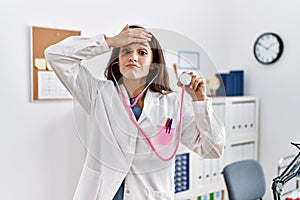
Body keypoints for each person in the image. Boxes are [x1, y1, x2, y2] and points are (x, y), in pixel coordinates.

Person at [45, 24, 225, 200]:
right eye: (125, 51)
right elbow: (55, 56)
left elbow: (212, 150)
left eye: (142, 52)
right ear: (118, 61)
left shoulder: (172, 104)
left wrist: (200, 101)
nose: (133, 57)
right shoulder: (98, 94)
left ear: (154, 64)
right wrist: (110, 41)